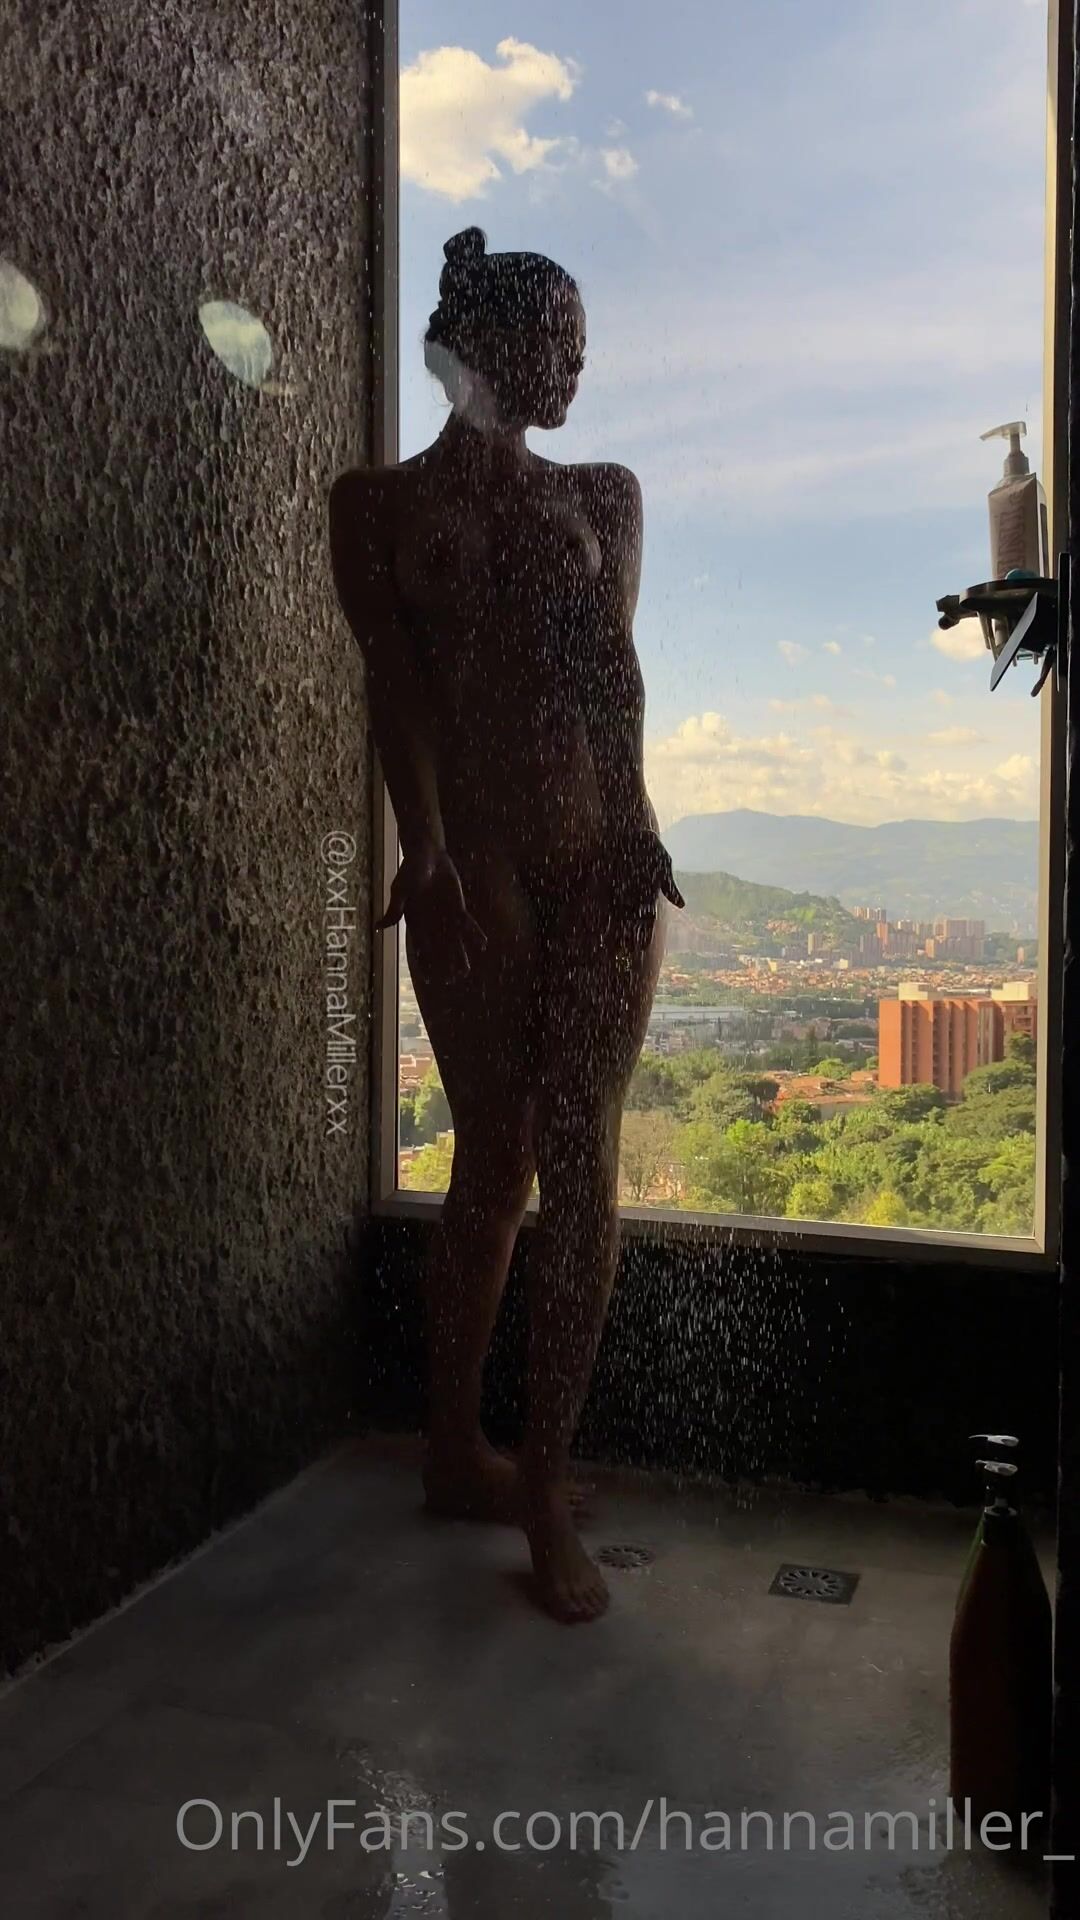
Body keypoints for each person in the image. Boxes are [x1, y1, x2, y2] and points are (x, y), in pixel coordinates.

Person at [329, 226, 683, 1623]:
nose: (578, 367)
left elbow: (615, 675)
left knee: (584, 1160)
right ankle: (453, 1452)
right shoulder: (374, 505)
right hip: (474, 872)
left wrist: (638, 819)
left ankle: (541, 1484)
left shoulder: (604, 494)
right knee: (495, 1157)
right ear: (482, 342)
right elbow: (397, 688)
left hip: (599, 864)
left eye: (585, 345)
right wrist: (422, 844)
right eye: (559, 339)